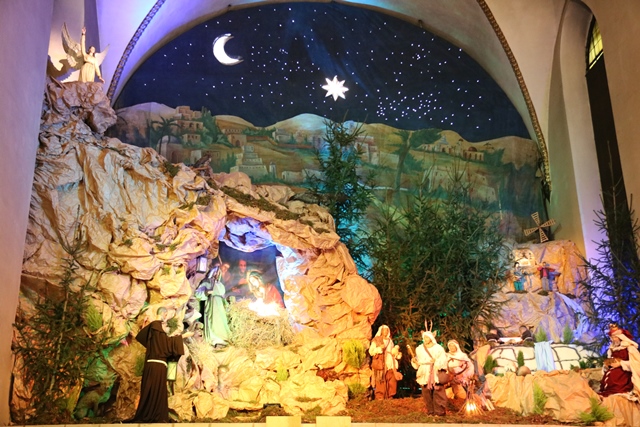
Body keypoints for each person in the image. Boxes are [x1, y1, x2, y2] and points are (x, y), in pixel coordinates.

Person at [130, 307, 186, 423]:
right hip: (161, 366)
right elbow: (173, 348)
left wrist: (153, 347)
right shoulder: (164, 329)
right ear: (165, 315)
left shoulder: (153, 327)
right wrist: (183, 337)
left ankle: (146, 414)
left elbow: (142, 338)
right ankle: (158, 414)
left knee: (148, 390)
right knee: (159, 391)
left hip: (150, 364)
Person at [411, 330, 448, 416]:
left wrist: (436, 361)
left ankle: (439, 411)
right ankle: (430, 411)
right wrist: (415, 361)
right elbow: (418, 360)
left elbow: (443, 359)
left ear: (431, 338)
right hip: (424, 371)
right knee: (426, 392)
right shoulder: (419, 349)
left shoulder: (438, 348)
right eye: (424, 337)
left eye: (427, 337)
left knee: (438, 391)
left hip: (435, 370)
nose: (425, 339)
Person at [599, 323, 640, 397]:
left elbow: (636, 364)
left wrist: (621, 364)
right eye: (612, 337)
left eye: (615, 337)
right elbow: (610, 360)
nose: (614, 339)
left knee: (616, 381)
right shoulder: (612, 349)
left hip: (624, 375)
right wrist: (607, 365)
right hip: (612, 373)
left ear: (620, 337)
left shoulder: (630, 348)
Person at [194, 266, 231, 347]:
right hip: (212, 303)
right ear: (212, 273)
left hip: (220, 305)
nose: (217, 275)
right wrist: (206, 292)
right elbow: (197, 293)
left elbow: (223, 297)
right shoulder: (207, 282)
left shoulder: (220, 285)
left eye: (218, 273)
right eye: (215, 273)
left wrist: (225, 304)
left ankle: (222, 339)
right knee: (213, 320)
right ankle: (214, 338)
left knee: (221, 321)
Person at [369, 325, 402, 399]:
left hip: (390, 362)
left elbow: (392, 351)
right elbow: (371, 351)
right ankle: (380, 396)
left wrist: (396, 353)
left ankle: (390, 395)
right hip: (380, 362)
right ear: (381, 331)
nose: (386, 331)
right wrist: (379, 348)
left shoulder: (390, 341)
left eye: (387, 330)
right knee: (380, 379)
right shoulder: (376, 340)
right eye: (384, 330)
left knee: (391, 379)